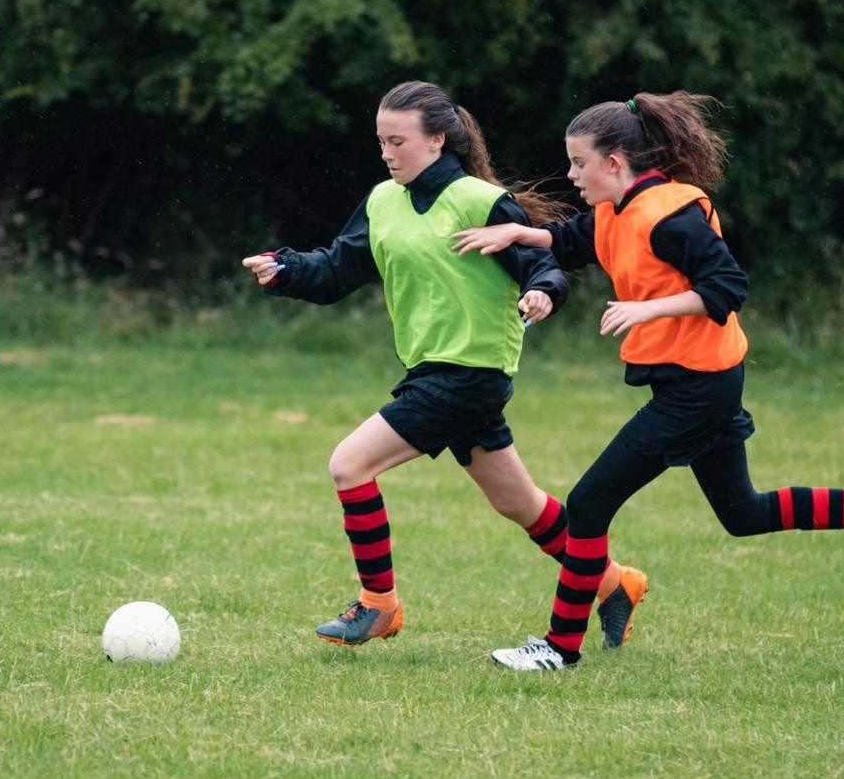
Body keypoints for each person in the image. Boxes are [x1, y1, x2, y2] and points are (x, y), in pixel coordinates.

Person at [451, 92, 844, 671]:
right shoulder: (622, 209)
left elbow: (728, 285)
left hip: (699, 388)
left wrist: (648, 310)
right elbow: (571, 241)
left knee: (588, 504)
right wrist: (517, 237)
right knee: (743, 512)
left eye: (578, 163)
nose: (570, 174)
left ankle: (559, 650)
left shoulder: (669, 214)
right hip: (697, 383)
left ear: (614, 163)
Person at [243, 81, 647, 648]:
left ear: (437, 141)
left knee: (349, 465)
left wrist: (544, 292)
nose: (386, 153)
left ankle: (378, 604)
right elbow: (337, 271)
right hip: (432, 371)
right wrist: (284, 270)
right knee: (519, 502)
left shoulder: (479, 200)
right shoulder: (384, 200)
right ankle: (614, 582)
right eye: (381, 141)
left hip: (471, 373)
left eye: (397, 141)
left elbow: (542, 262)